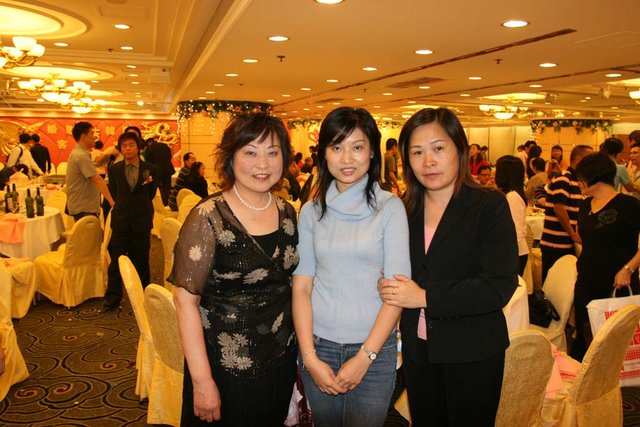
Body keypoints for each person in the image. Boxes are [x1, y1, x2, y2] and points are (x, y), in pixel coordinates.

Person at [378, 107, 517, 426]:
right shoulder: (404, 210)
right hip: (419, 350)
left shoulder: (489, 206)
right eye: (417, 152)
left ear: (460, 150)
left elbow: (498, 285)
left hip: (472, 350)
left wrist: (424, 297)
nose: (428, 161)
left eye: (438, 148)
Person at [171, 112, 299, 425]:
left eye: (272, 152)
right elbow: (185, 303)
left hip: (278, 361)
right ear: (231, 157)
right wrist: (202, 381)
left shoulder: (287, 212)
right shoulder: (208, 217)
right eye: (250, 153)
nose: (263, 164)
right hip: (224, 370)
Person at [292, 106, 410, 427]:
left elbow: (397, 293)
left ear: (372, 151)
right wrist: (309, 358)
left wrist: (364, 357)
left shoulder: (390, 208)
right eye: (336, 147)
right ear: (324, 154)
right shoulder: (311, 212)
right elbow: (302, 287)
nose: (347, 159)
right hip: (318, 347)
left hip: (374, 350)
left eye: (357, 147)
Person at [570, 152, 640, 361]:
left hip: (617, 283)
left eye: (581, 178)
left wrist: (628, 269)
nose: (578, 183)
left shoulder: (628, 205)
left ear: (595, 177)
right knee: (586, 337)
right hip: (586, 282)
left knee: (615, 344)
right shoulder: (585, 205)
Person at [103, 132, 157, 311]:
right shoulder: (114, 169)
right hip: (121, 220)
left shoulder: (150, 169)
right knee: (117, 260)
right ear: (120, 149)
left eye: (131, 145)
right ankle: (113, 297)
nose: (128, 149)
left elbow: (151, 193)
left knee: (142, 260)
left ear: (138, 147)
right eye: (124, 146)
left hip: (141, 220)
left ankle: (144, 296)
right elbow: (114, 192)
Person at [539, 145, 593, 282]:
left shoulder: (577, 182)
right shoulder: (564, 179)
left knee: (565, 282)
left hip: (567, 242)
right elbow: (559, 209)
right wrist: (573, 234)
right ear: (579, 159)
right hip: (555, 243)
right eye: (590, 159)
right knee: (552, 284)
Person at [66, 122, 115, 221]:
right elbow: (97, 179)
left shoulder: (80, 153)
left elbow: (95, 165)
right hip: (84, 207)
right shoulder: (81, 155)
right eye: (92, 133)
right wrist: (111, 201)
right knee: (87, 232)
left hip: (83, 205)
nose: (95, 137)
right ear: (83, 137)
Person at [495, 155, 529, 276]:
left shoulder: (512, 197)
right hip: (511, 252)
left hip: (514, 253)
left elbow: (516, 232)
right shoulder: (509, 195)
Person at [144, 136, 175, 205]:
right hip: (167, 169)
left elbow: (148, 161)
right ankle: (166, 202)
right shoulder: (164, 145)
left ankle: (160, 204)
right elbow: (170, 156)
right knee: (167, 187)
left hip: (157, 171)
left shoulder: (150, 148)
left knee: (157, 188)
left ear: (149, 143)